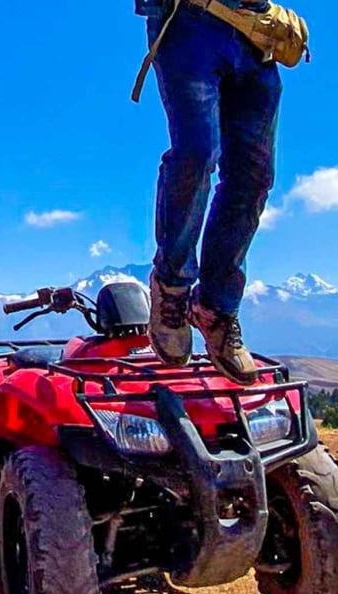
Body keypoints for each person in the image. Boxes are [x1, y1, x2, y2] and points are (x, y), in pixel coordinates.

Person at [138, 0, 281, 384]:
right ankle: (172, 284)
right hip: (191, 20)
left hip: (256, 33)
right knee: (196, 154)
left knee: (253, 177)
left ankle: (215, 306)